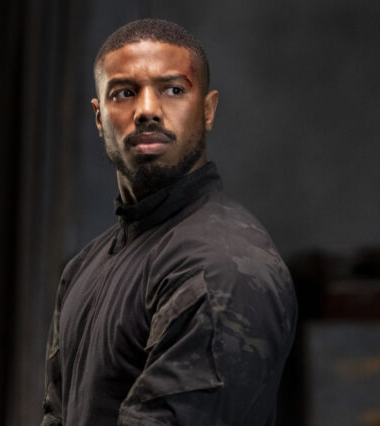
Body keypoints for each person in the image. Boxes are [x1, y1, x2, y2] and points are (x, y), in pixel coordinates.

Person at [41, 18, 297, 426]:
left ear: (208, 110)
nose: (147, 110)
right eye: (124, 93)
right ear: (99, 117)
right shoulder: (84, 268)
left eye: (173, 90)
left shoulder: (222, 267)